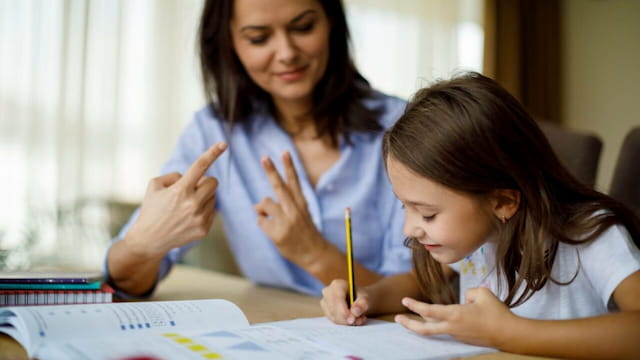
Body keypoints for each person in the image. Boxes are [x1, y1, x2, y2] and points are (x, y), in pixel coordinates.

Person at [320, 72, 640, 359]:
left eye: (428, 214)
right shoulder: (476, 238)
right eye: (405, 207)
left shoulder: (591, 233)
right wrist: (367, 297)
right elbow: (417, 282)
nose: (410, 228)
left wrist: (509, 334)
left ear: (502, 201)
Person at [104, 0, 411, 297]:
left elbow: (424, 286)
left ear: (331, 22)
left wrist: (314, 254)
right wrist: (143, 244)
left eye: (303, 27)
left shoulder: (402, 126)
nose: (287, 53)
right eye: (258, 38)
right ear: (229, 42)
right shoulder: (214, 131)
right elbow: (125, 281)